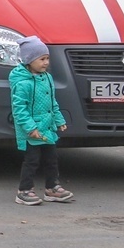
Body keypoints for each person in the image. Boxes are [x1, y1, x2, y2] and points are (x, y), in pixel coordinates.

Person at [11, 36, 74, 206]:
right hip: (32, 131)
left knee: (51, 159)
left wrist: (59, 120)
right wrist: (30, 128)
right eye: (41, 59)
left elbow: (52, 102)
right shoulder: (23, 83)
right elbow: (19, 109)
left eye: (47, 59)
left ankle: (52, 187)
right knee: (32, 161)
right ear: (29, 60)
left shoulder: (47, 78)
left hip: (47, 128)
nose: (46, 63)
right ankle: (24, 190)